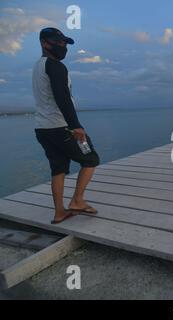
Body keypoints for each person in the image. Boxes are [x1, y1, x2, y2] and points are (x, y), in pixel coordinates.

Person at [32, 27, 100, 224]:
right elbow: (62, 98)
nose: (62, 46)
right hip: (62, 128)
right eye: (58, 42)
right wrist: (75, 126)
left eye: (64, 43)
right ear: (45, 43)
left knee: (59, 168)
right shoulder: (55, 66)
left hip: (43, 129)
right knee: (91, 159)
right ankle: (77, 201)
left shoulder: (38, 66)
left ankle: (59, 212)